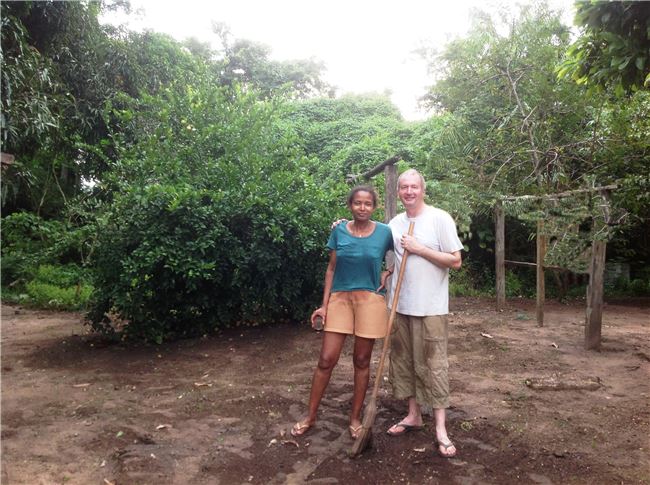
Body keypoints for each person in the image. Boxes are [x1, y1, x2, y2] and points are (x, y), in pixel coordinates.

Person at [291, 185, 394, 440]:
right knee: (326, 359)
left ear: (374, 207)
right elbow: (331, 269)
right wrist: (324, 305)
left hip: (370, 299)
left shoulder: (384, 232)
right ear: (350, 205)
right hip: (340, 299)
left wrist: (388, 271)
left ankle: (355, 418)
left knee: (361, 360)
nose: (362, 208)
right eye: (358, 203)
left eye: (367, 204)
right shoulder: (339, 230)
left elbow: (400, 255)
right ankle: (310, 416)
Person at [385, 168, 463, 458]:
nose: (408, 192)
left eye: (413, 187)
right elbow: (372, 239)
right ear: (398, 192)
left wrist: (419, 249)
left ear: (423, 189)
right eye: (404, 187)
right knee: (404, 362)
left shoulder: (439, 218)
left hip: (430, 307)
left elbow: (455, 261)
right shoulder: (394, 222)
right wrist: (344, 225)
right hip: (400, 304)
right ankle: (413, 415)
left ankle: (441, 428)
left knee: (434, 366)